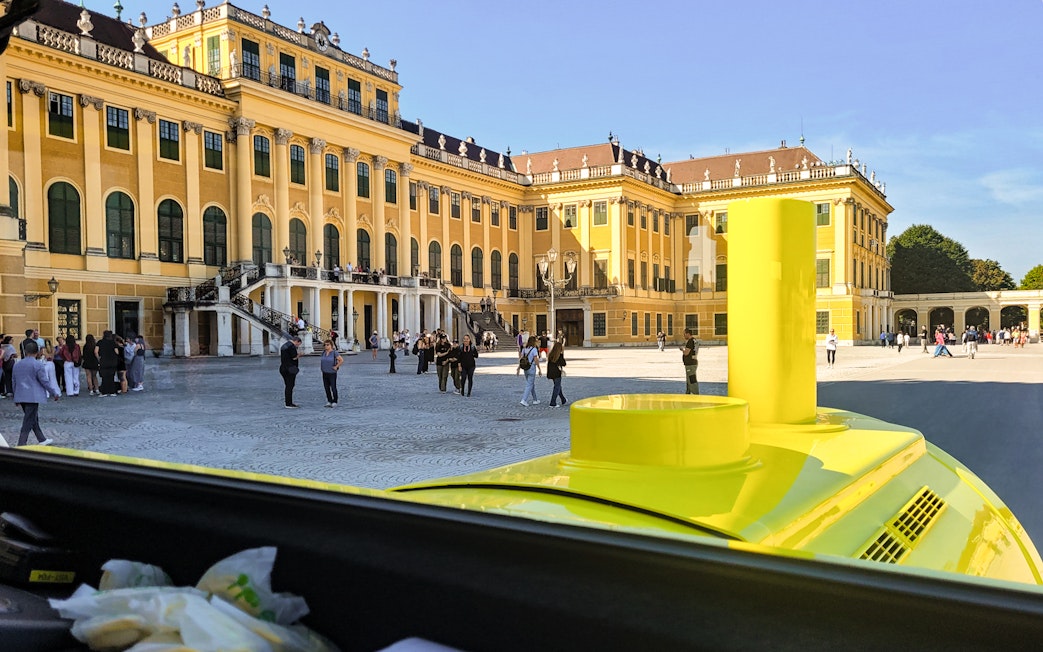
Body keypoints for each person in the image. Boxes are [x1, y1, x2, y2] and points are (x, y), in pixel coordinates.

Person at [12, 339, 58, 447]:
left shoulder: (17, 364)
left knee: (33, 418)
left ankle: (41, 439)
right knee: (29, 419)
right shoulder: (38, 365)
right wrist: (54, 392)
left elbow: (14, 381)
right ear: (37, 352)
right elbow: (44, 381)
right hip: (33, 396)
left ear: (25, 351)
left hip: (21, 395)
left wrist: (16, 397)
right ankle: (21, 443)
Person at [280, 335, 303, 408]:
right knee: (290, 386)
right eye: (298, 344)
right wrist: (299, 355)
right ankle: (288, 403)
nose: (298, 346)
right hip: (290, 368)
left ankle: (288, 402)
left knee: (287, 385)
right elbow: (294, 357)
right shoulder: (292, 346)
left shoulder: (284, 345)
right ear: (297, 341)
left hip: (283, 367)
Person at [517, 335, 540, 407]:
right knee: (529, 384)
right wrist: (539, 368)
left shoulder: (525, 349)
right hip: (532, 367)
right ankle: (524, 400)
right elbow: (536, 360)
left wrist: (518, 368)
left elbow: (521, 359)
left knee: (531, 383)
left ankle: (535, 399)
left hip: (525, 368)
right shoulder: (534, 349)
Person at [320, 339, 343, 407]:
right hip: (324, 372)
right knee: (326, 387)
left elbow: (341, 360)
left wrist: (336, 366)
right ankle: (329, 400)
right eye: (325, 345)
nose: (326, 346)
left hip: (332, 372)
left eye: (328, 345)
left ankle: (335, 401)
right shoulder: (324, 352)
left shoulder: (334, 353)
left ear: (331, 345)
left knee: (333, 387)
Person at [96, 330, 119, 397]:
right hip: (112, 362)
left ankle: (104, 392)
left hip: (103, 362)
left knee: (104, 377)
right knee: (111, 377)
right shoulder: (112, 342)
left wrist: (99, 358)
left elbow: (96, 351)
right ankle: (112, 391)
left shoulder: (100, 342)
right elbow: (117, 352)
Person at [546, 341, 567, 407]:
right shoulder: (559, 356)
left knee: (558, 386)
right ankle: (552, 403)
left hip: (551, 373)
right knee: (557, 387)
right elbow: (564, 364)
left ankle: (563, 400)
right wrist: (562, 354)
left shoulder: (551, 354)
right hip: (557, 373)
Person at [679, 328, 700, 394]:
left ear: (688, 334)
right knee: (689, 379)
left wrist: (682, 349)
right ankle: (688, 393)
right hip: (692, 362)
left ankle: (695, 394)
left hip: (690, 363)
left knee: (691, 379)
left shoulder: (690, 341)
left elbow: (686, 353)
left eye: (684, 334)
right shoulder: (694, 340)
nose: (684, 336)